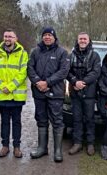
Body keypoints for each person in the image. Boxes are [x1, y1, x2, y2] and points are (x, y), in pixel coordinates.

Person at [27, 27, 70, 162]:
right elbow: (30, 68)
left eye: (49, 35)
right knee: (41, 119)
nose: (47, 37)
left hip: (55, 92)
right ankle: (42, 148)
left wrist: (47, 82)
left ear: (54, 37)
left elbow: (64, 71)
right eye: (45, 35)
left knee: (57, 121)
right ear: (42, 37)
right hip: (38, 92)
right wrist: (38, 82)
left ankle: (57, 151)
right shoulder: (35, 52)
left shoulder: (62, 52)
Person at [0, 29, 28, 158]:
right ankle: (5, 146)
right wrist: (1, 86)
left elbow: (23, 72)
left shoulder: (23, 53)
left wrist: (10, 87)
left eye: (10, 36)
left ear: (16, 38)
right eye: (5, 36)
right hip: (2, 94)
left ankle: (17, 147)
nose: (7, 39)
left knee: (17, 121)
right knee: (4, 121)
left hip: (16, 95)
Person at [67, 32, 101, 156]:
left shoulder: (95, 56)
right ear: (77, 40)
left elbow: (96, 72)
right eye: (80, 38)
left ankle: (90, 144)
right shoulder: (71, 55)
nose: (82, 40)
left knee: (90, 119)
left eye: (84, 39)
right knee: (76, 119)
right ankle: (77, 143)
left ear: (88, 40)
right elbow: (67, 71)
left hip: (90, 93)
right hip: (75, 93)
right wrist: (75, 82)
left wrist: (83, 82)